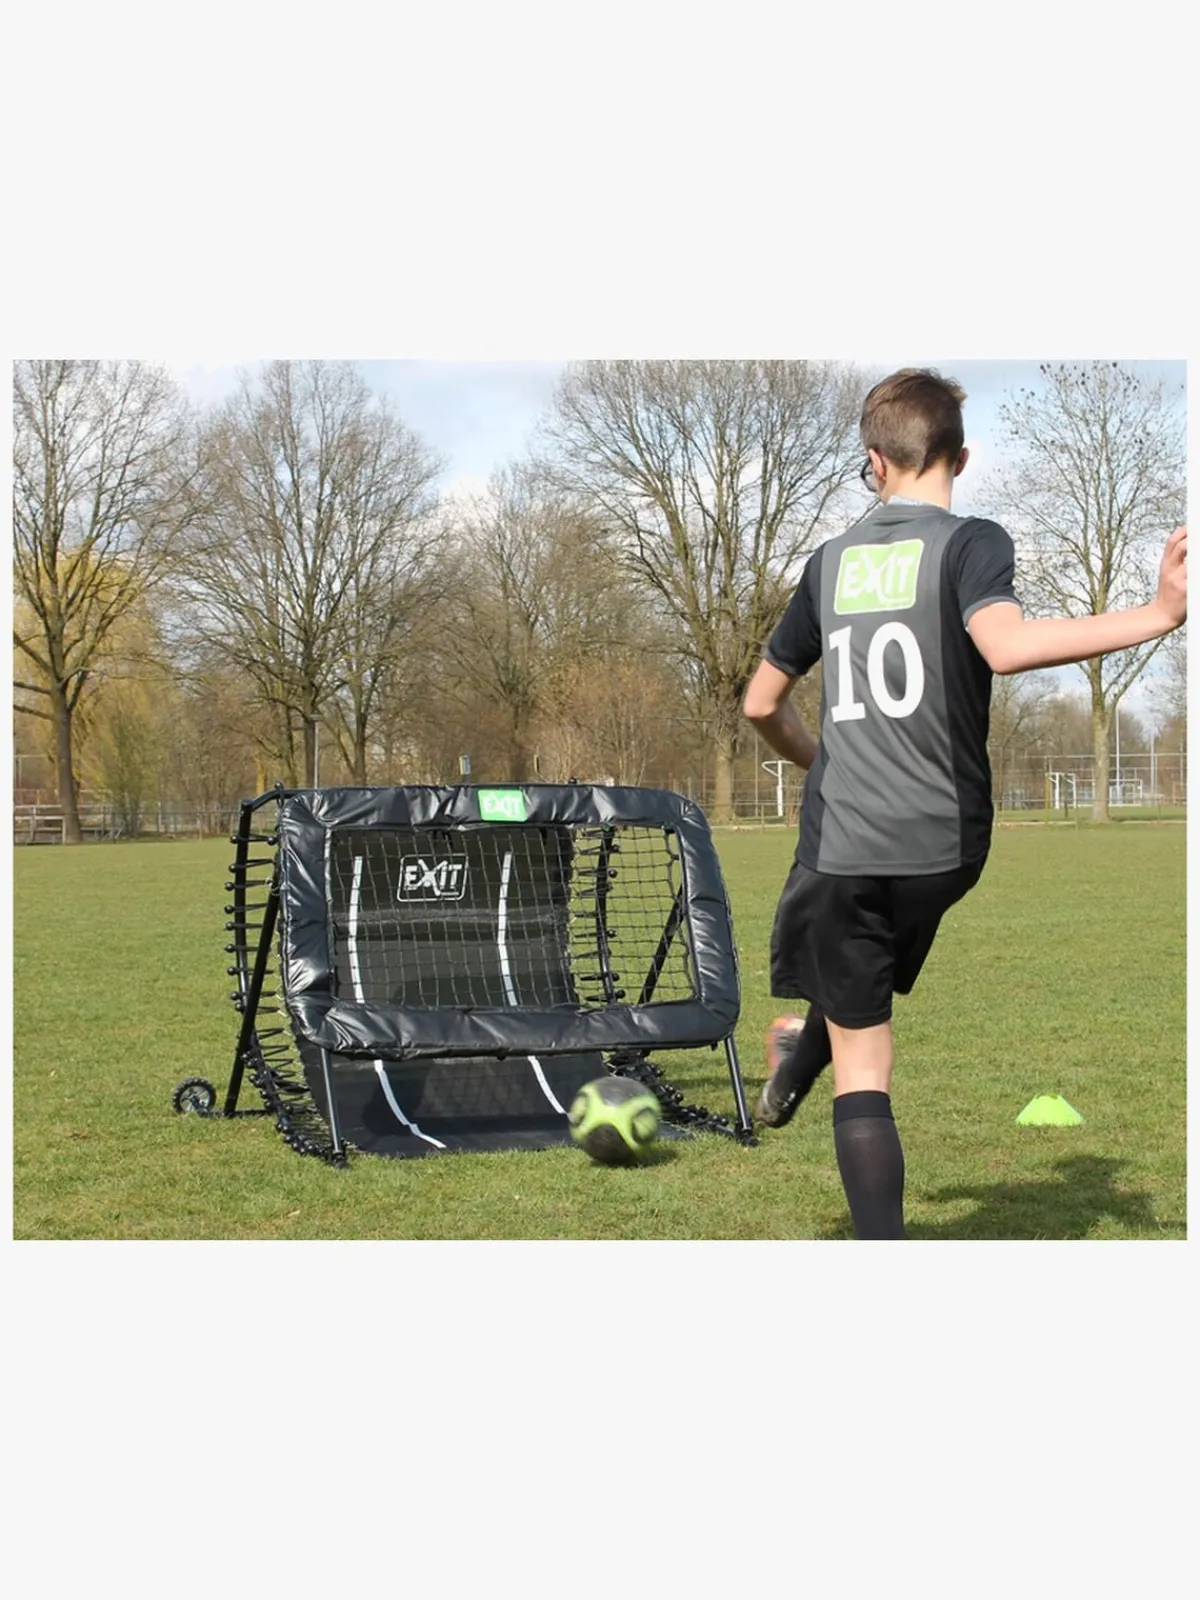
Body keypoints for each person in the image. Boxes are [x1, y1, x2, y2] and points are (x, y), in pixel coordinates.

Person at [742, 367, 1187, 1240]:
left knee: (864, 1053)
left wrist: (824, 758)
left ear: (875, 462)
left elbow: (761, 703)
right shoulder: (972, 542)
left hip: (843, 844)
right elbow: (1005, 645)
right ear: (962, 456)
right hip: (943, 848)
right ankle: (797, 1059)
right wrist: (1158, 612)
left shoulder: (828, 565)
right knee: (859, 978)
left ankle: (867, 1213)